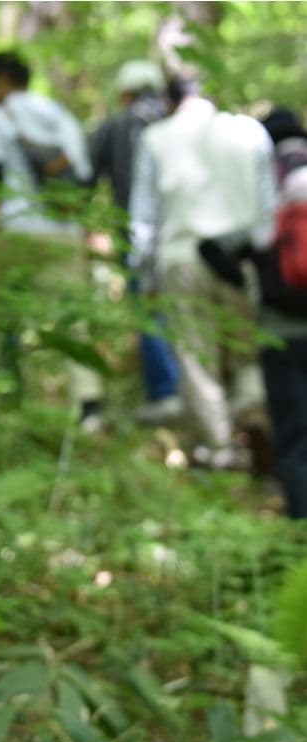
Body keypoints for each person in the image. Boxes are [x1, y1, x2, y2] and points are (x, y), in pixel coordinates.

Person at [129, 71, 275, 469]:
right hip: (241, 261)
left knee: (198, 358)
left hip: (182, 257)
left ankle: (224, 447)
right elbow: (269, 207)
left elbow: (143, 217)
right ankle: (253, 414)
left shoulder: (156, 138)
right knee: (246, 351)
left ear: (169, 100)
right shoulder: (248, 132)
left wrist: (142, 274)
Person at [0, 51, 103, 427]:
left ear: (0, 82)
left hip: (16, 228)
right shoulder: (62, 116)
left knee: (6, 314)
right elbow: (84, 179)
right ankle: (88, 404)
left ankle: (11, 398)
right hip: (65, 230)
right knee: (73, 318)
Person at [200, 108, 307, 514]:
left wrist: (249, 283)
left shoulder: (273, 210)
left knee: (295, 434)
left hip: (279, 334)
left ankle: (300, 532)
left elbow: (211, 248)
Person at [89, 60, 182, 426]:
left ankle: (165, 392)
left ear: (124, 93)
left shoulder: (113, 126)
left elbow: (85, 178)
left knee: (148, 310)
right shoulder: (175, 124)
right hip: (184, 235)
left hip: (136, 236)